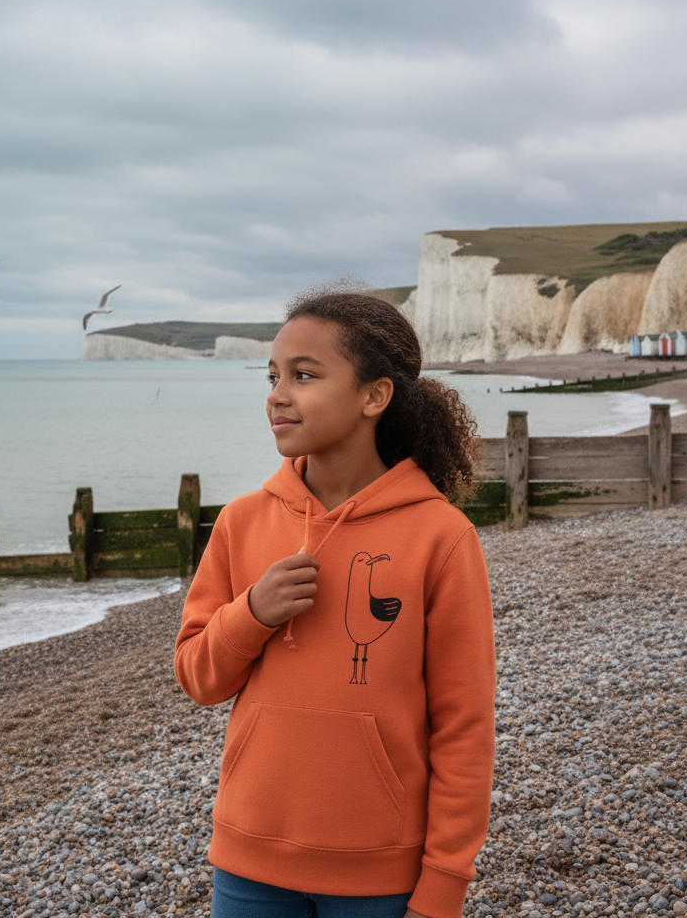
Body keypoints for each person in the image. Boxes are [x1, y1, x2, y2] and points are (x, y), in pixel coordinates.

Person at [174, 290, 496, 918]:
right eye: (273, 376)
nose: (277, 394)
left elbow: (464, 728)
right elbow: (197, 677)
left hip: (381, 872)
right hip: (247, 860)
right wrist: (253, 613)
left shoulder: (441, 536)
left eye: (304, 375)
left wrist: (444, 885)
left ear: (374, 396)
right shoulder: (241, 522)